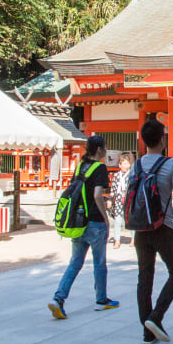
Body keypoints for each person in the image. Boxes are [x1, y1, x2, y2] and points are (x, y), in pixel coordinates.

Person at [129, 118, 173, 344]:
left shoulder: (135, 165)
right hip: (163, 227)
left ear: (144, 141)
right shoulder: (171, 164)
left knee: (145, 277)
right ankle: (156, 317)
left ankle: (147, 331)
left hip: (140, 228)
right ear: (162, 139)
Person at [48, 135, 119, 319]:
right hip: (95, 221)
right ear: (98, 149)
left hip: (78, 222)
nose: (105, 151)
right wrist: (105, 217)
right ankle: (101, 300)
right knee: (99, 262)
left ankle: (59, 298)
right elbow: (97, 195)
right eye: (104, 148)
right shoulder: (100, 168)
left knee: (75, 262)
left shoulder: (80, 166)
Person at [110, 151, 133, 249]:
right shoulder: (116, 176)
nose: (126, 166)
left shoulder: (131, 175)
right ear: (120, 165)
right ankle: (117, 240)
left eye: (128, 163)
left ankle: (133, 239)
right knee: (118, 221)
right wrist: (110, 199)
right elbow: (114, 189)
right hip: (119, 200)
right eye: (124, 163)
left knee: (131, 221)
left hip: (129, 199)